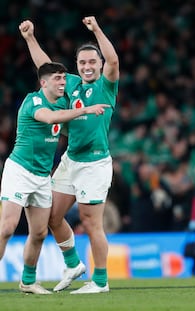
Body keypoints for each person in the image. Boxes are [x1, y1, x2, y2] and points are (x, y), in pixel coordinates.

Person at [19, 16, 119, 294]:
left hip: (95, 163)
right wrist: (30, 38)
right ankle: (73, 264)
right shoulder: (71, 84)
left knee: (90, 221)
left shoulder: (107, 86)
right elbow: (45, 67)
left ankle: (100, 281)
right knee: (51, 216)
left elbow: (114, 62)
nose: (87, 67)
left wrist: (97, 29)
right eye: (82, 63)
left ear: (99, 65)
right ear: (77, 66)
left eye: (92, 62)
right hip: (70, 160)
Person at [0, 62, 108, 294]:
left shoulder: (62, 104)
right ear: (44, 83)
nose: (62, 82)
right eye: (57, 79)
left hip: (41, 177)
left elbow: (67, 126)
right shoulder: (34, 101)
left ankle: (28, 281)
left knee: (39, 233)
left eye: (63, 78)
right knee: (7, 228)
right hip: (19, 171)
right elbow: (50, 118)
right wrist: (85, 110)